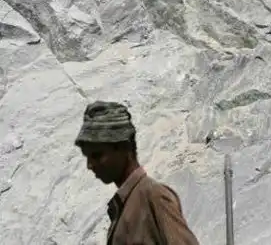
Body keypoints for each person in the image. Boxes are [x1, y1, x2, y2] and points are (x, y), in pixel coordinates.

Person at [74, 100, 200, 245]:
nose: (90, 165)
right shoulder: (125, 205)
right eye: (87, 157)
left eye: (97, 155)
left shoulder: (154, 197)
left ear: (124, 147)